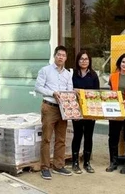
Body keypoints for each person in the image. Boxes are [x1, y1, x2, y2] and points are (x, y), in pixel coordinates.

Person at [35, 45, 74, 180]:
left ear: (66, 58)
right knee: (46, 138)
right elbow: (38, 87)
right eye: (59, 55)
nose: (61, 57)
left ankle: (58, 165)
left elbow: (69, 90)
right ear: (55, 56)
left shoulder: (68, 74)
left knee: (61, 139)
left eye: (63, 55)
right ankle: (45, 167)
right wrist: (52, 93)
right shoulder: (45, 70)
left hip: (63, 109)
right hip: (49, 107)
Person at [71, 51, 100, 174]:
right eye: (81, 59)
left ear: (89, 61)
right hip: (76, 109)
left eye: (86, 59)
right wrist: (74, 90)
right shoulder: (72, 74)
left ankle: (87, 163)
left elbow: (97, 93)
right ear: (78, 61)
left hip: (90, 110)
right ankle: (75, 163)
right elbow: (68, 89)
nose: (84, 61)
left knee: (89, 136)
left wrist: (96, 112)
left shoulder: (93, 75)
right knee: (77, 135)